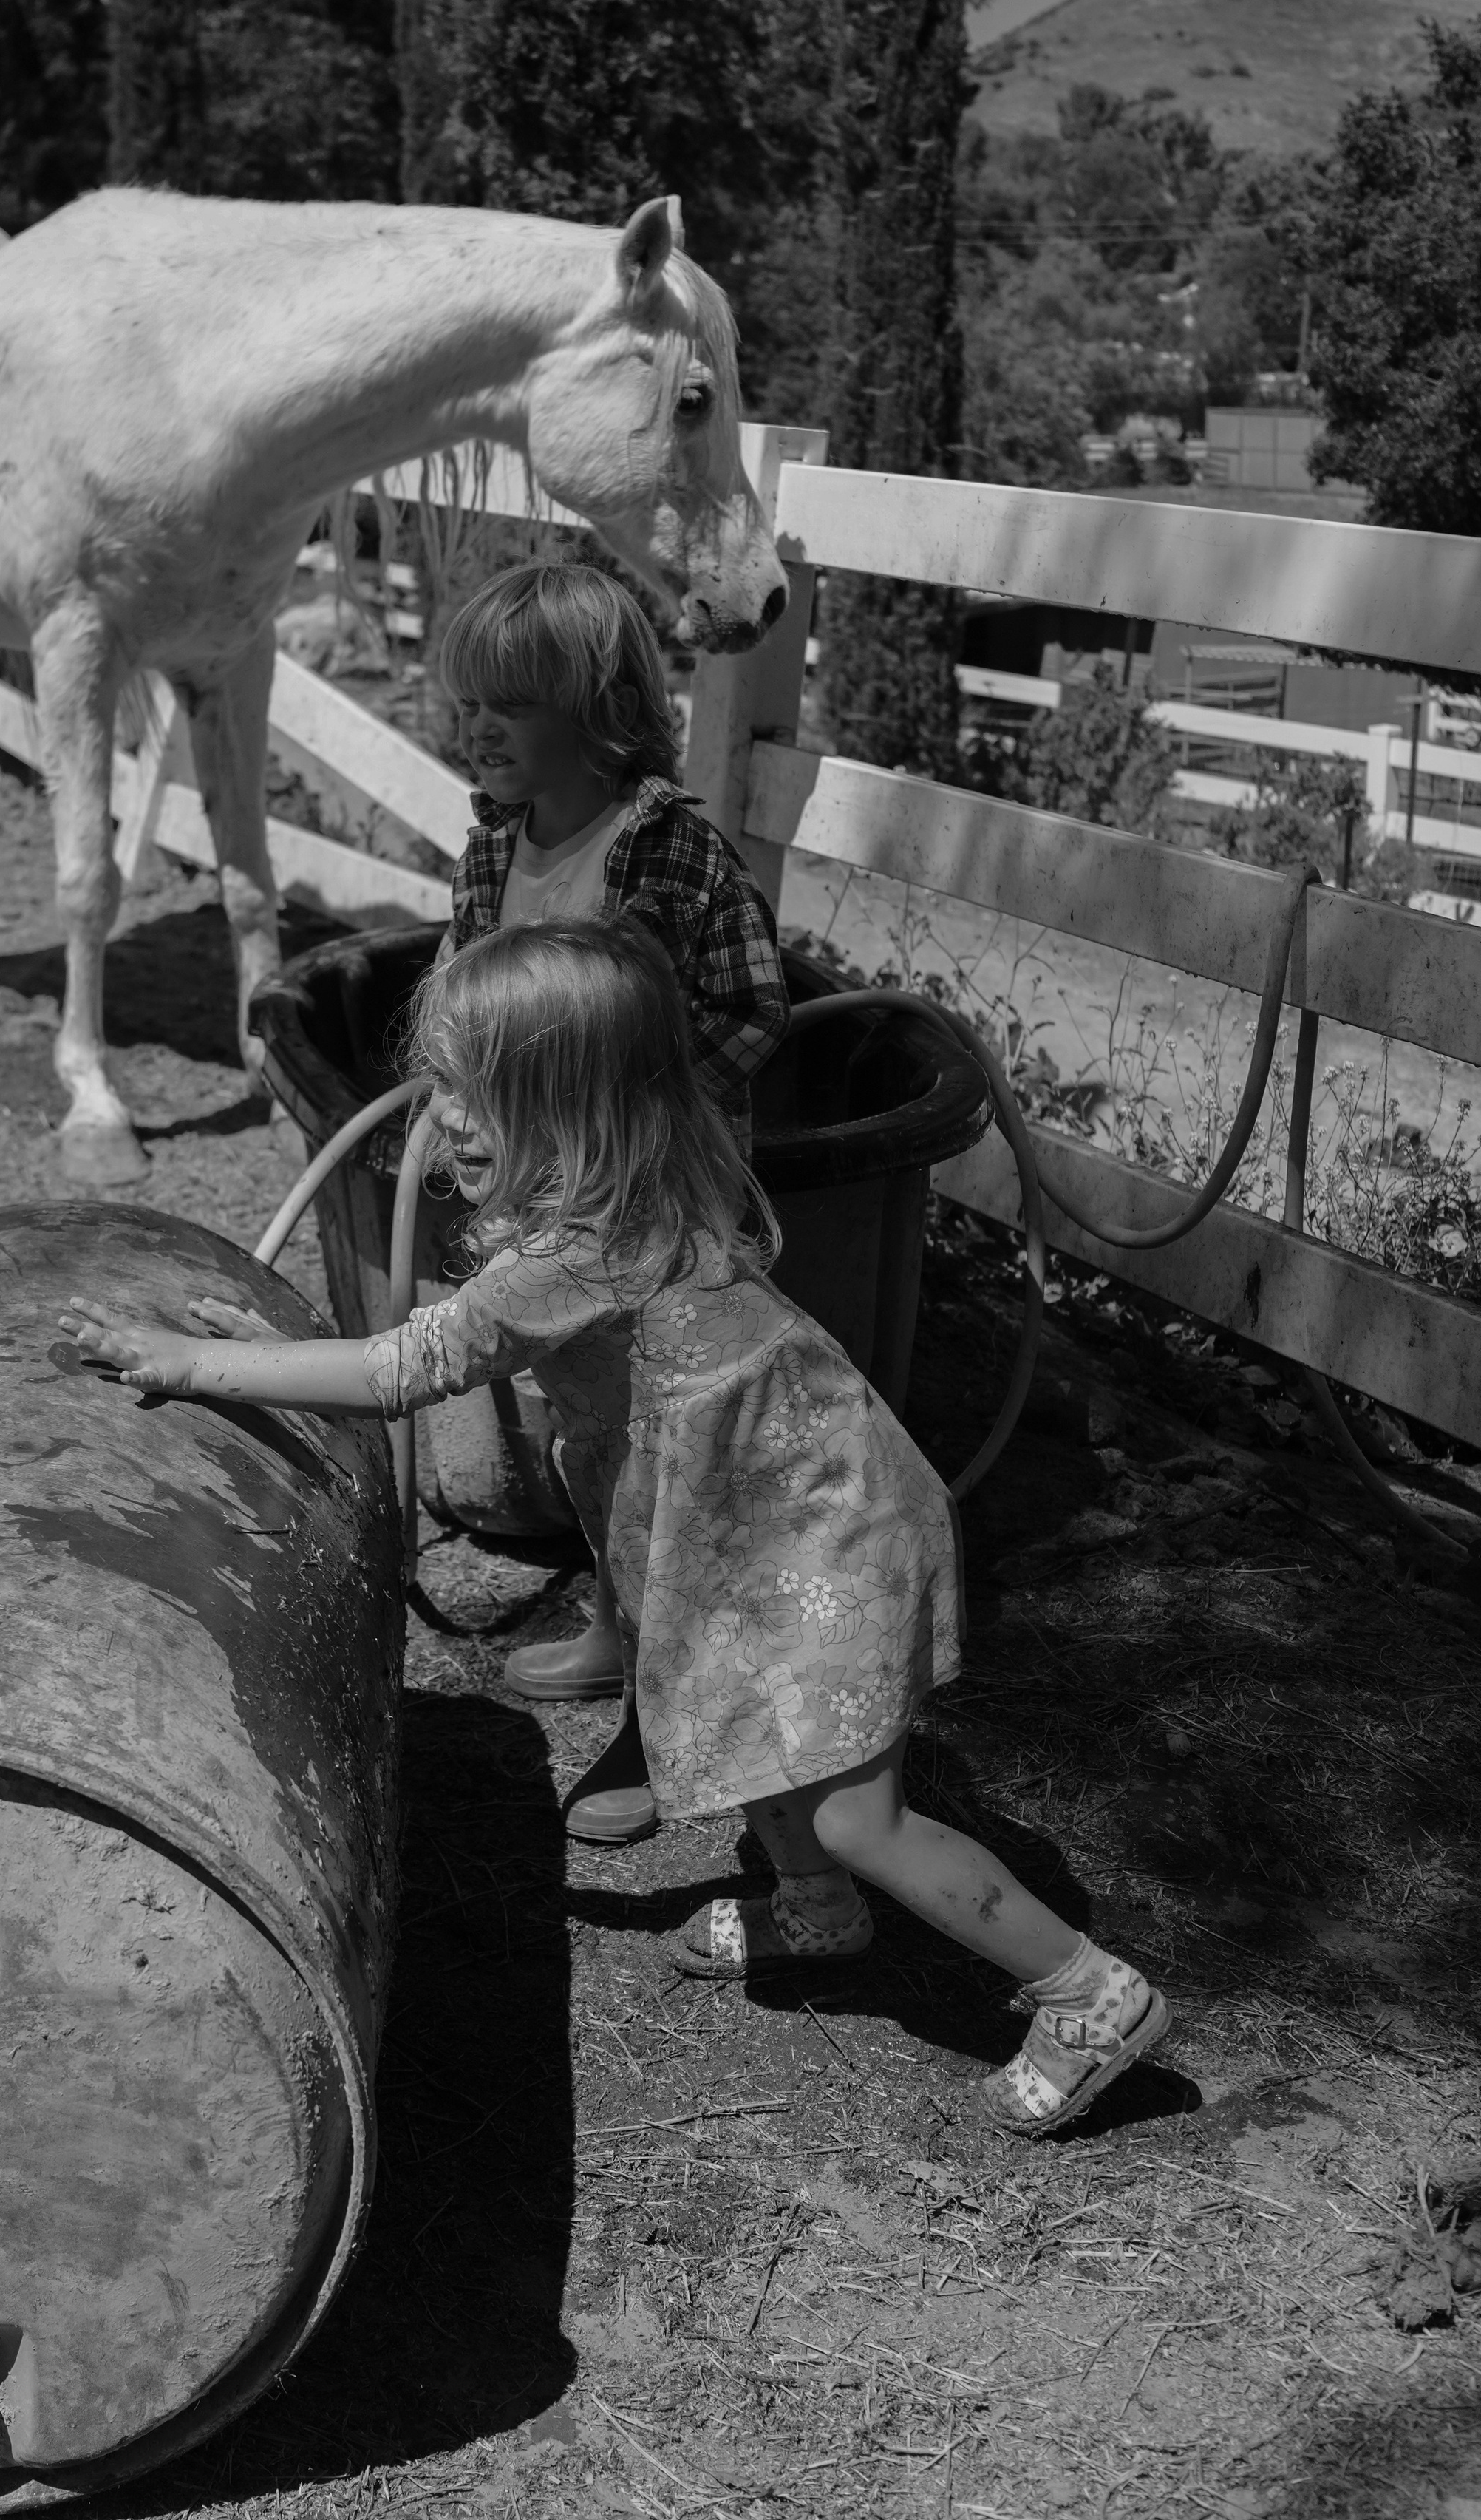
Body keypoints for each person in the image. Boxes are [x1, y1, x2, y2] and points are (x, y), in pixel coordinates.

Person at [60, 921, 1170, 2139]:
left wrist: (197, 1362)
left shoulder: (576, 1251)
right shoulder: (642, 1175)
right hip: (769, 1522)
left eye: (480, 1094)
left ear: (573, 1110)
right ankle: (815, 1909)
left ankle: (1086, 1992)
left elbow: (402, 1365)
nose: (446, 1119)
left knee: (860, 1807)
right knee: (749, 1713)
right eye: (442, 1085)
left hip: (825, 1532)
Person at [435, 560, 790, 1839]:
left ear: (602, 712)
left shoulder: (669, 852)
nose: (477, 730)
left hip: (647, 1229)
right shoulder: (493, 844)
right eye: (468, 702)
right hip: (552, 1224)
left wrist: (626, 1116)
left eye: (509, 707)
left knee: (663, 1467)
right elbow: (468, 1001)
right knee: (591, 1441)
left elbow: (753, 1011)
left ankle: (666, 1715)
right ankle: (614, 1621)